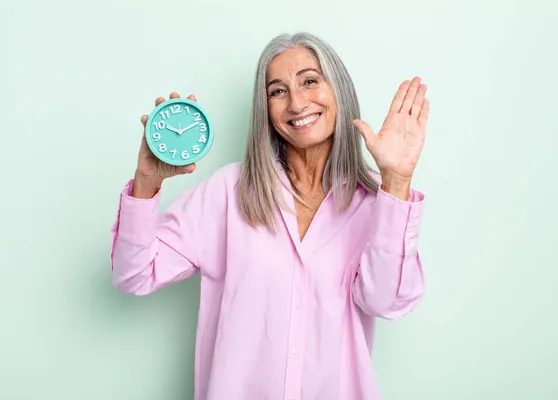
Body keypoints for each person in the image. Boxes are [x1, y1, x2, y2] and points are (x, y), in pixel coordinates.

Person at [110, 31, 430, 400]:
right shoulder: (227, 192)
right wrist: (147, 181)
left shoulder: (379, 200)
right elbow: (133, 275)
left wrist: (397, 180)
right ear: (265, 109)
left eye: (310, 81)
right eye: (278, 91)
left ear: (338, 90)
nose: (296, 103)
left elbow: (386, 302)